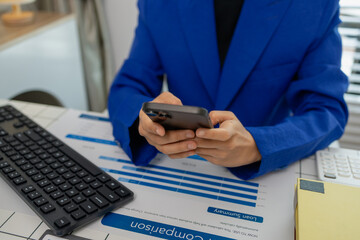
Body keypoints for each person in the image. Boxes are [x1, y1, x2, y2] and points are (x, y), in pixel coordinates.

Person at [108, 0, 348, 180]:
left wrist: (259, 145)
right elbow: (128, 86)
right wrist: (144, 120)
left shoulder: (315, 5)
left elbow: (326, 109)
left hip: (266, 176)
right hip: (179, 167)